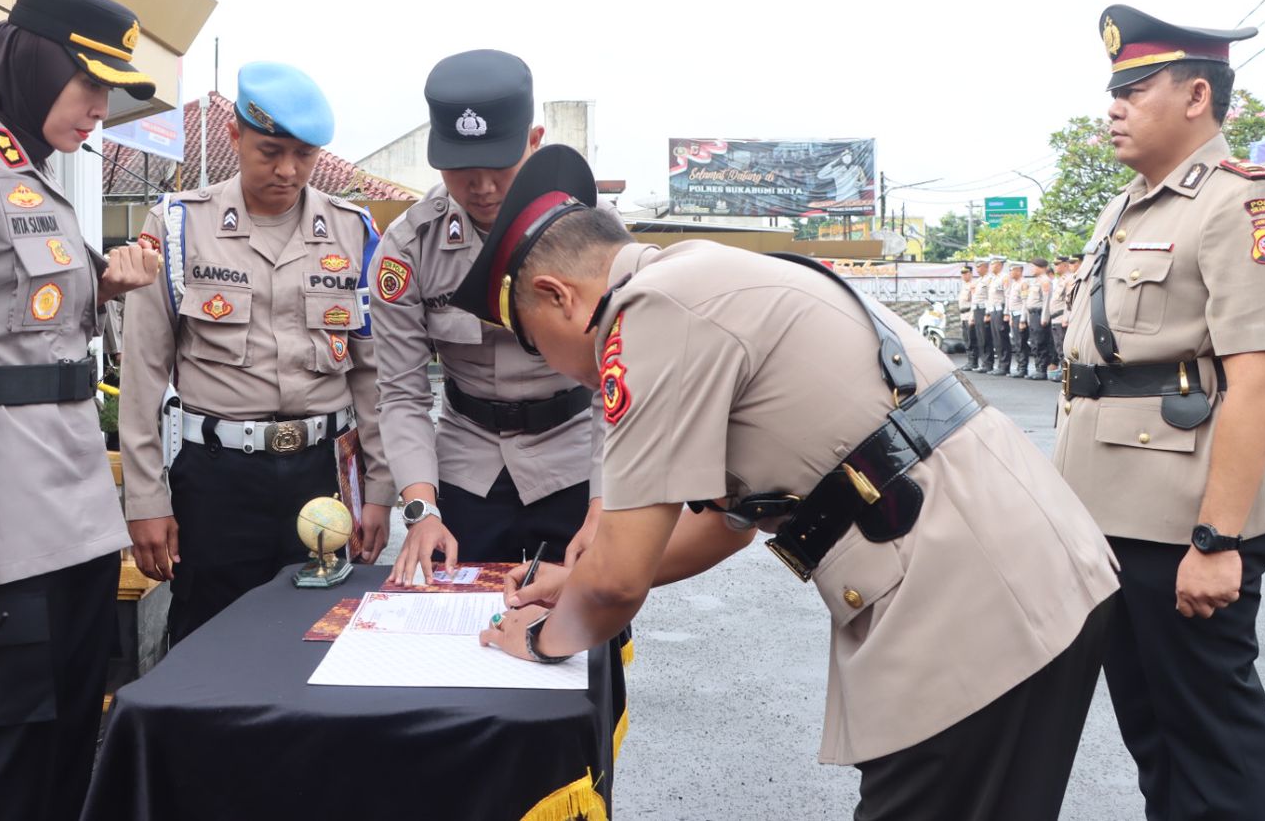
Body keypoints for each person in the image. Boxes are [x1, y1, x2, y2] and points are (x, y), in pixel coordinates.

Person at [466, 146, 1119, 821]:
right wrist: (576, 582)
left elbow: (616, 582)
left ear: (558, 295)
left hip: (972, 601)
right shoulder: (698, 276)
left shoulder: (649, 312)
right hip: (1020, 568)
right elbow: (723, 525)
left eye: (534, 343)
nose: (552, 369)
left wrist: (538, 639)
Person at [0, 0, 164, 820]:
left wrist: (106, 287)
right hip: (8, 541)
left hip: (78, 527)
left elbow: (38, 338)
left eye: (108, 93)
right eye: (88, 84)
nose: (100, 110)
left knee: (64, 769)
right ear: (35, 63)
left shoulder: (35, 180)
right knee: (9, 779)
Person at [1053, 4, 1265, 821]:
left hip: (1182, 522)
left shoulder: (1242, 206)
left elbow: (1260, 382)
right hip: (1109, 515)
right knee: (1154, 734)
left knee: (1208, 742)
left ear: (1197, 96)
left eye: (1134, 90)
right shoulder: (1126, 206)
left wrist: (1217, 540)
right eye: (1113, 92)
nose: (1113, 108)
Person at [119, 62, 392, 644]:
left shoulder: (353, 231)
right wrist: (145, 499)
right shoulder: (178, 227)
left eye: (304, 154)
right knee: (208, 640)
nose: (288, 170)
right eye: (270, 151)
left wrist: (380, 490)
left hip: (323, 478)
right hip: (218, 480)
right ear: (234, 136)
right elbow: (142, 375)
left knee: (320, 640)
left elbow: (373, 377)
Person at [373, 50, 602, 585]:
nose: (482, 187)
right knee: (454, 617)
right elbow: (402, 394)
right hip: (465, 468)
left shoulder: (593, 235)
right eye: (461, 170)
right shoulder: (409, 248)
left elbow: (617, 388)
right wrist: (422, 511)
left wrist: (605, 503)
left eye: (499, 166)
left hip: (574, 463)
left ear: (534, 141)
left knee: (586, 616)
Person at [1026, 258, 1052, 379]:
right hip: (1033, 314)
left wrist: (1045, 317)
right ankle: (1038, 368)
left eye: (1033, 267)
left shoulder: (1045, 281)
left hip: (1039, 314)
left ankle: (1042, 370)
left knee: (1041, 342)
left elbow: (1047, 300)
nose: (1031, 269)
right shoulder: (1036, 281)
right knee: (1035, 342)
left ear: (1041, 267)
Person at [1005, 259, 1028, 378]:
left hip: (1020, 315)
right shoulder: (1014, 283)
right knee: (1017, 342)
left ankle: (1023, 368)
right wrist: (1010, 316)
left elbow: (1025, 302)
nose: (1010, 272)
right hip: (1014, 315)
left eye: (1012, 270)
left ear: (1019, 271)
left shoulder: (1024, 283)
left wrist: (1023, 319)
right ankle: (1019, 366)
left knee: (1021, 342)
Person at [986, 255, 1009, 374]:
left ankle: (1004, 366)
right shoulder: (993, 279)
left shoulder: (1005, 278)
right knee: (996, 338)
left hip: (1001, 310)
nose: (991, 266)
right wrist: (988, 312)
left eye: (993, 264)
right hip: (993, 310)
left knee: (1001, 338)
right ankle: (1000, 364)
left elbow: (1007, 296)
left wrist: (1006, 312)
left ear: (999, 265)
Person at [969, 257, 991, 371]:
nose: (977, 269)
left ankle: (988, 364)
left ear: (985, 267)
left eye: (979, 267)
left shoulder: (989, 279)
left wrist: (987, 313)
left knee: (985, 337)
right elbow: (975, 299)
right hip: (977, 310)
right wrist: (972, 315)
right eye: (976, 267)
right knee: (980, 338)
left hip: (984, 310)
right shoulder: (978, 281)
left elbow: (990, 297)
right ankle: (984, 363)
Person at [956, 264, 977, 366]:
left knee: (971, 340)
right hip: (963, 315)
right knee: (966, 339)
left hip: (969, 315)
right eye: (962, 274)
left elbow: (974, 302)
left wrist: (972, 316)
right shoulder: (964, 286)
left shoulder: (973, 285)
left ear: (971, 273)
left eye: (966, 273)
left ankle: (973, 362)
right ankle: (970, 361)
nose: (964, 275)